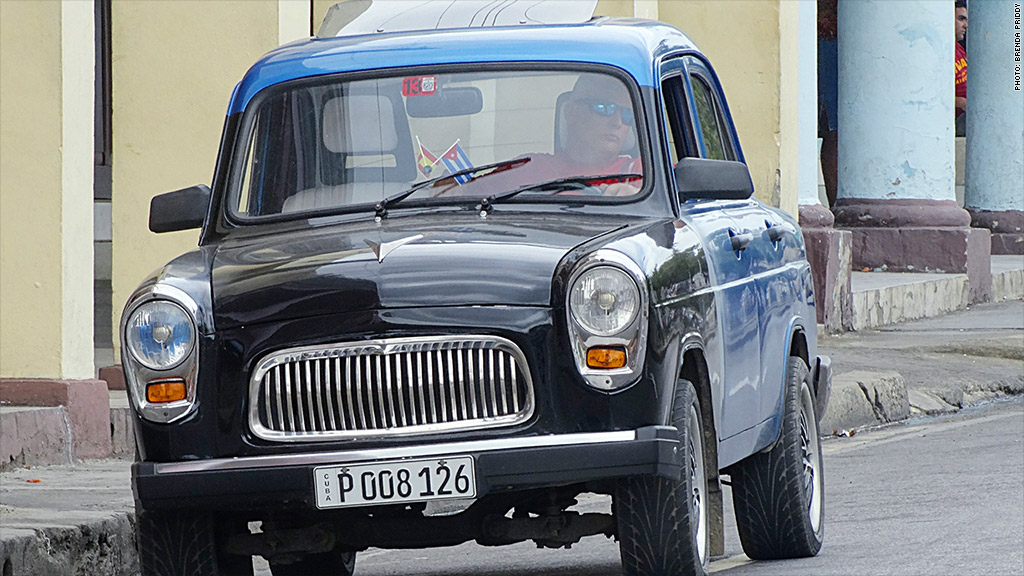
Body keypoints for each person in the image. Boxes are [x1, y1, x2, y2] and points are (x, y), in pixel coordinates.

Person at [954, 0, 968, 136]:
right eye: (961, 19)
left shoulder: (958, 47)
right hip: (955, 120)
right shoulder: (942, 52)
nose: (966, 25)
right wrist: (962, 102)